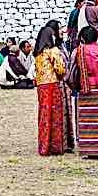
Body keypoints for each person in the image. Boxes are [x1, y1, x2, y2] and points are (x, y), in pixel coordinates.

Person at [69, 25, 98, 160]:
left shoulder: (78, 51)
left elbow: (71, 70)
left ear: (83, 38)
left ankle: (88, 150)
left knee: (87, 120)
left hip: (86, 88)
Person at [34, 21, 68, 155]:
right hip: (53, 85)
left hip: (41, 86)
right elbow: (60, 69)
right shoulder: (53, 51)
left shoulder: (38, 54)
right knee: (55, 115)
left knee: (44, 115)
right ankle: (54, 146)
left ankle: (44, 146)